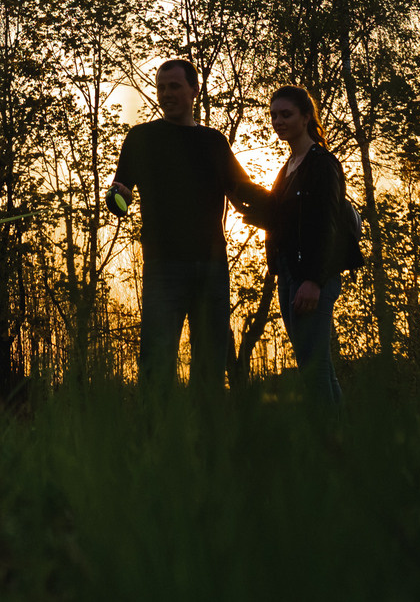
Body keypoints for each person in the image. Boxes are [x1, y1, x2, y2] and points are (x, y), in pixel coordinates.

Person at [107, 57, 267, 389]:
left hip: (212, 268)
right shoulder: (141, 138)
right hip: (163, 265)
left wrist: (285, 198)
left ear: (195, 90)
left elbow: (243, 189)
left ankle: (205, 438)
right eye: (161, 88)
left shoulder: (214, 142)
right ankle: (157, 438)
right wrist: (116, 196)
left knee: (210, 364)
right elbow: (121, 189)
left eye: (175, 86)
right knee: (156, 362)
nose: (166, 94)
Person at [259, 83, 348, 406]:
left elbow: (327, 225)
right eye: (273, 116)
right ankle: (339, 444)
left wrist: (313, 280)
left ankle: (329, 446)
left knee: (315, 366)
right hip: (288, 273)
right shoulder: (287, 168)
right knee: (316, 365)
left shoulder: (322, 163)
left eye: (286, 114)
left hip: (311, 277)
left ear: (307, 116)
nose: (278, 121)